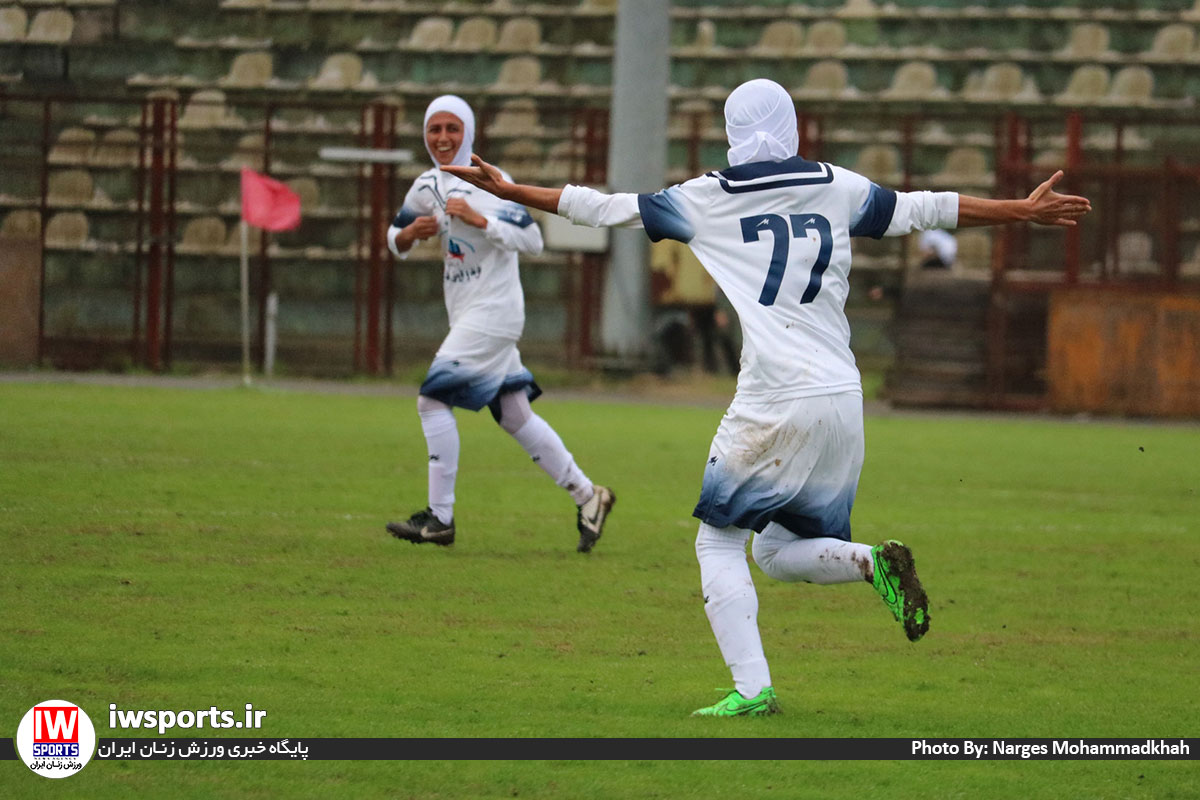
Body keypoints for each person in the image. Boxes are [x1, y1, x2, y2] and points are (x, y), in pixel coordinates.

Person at [442, 79, 1091, 716]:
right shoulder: (838, 185)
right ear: (793, 125)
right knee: (774, 553)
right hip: (841, 398)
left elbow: (604, 208)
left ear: (730, 131)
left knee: (717, 544)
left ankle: (753, 690)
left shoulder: (710, 196)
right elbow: (925, 207)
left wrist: (513, 189)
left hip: (775, 398)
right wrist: (1021, 210)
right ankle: (875, 563)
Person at [384, 94, 615, 553]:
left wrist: (480, 218)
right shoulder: (426, 186)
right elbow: (394, 236)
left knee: (432, 401)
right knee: (514, 415)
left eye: (453, 129)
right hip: (469, 311)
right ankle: (590, 496)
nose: (443, 138)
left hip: (495, 312)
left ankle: (440, 518)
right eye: (435, 129)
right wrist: (408, 235)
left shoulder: (490, 182)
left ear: (468, 132)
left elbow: (531, 239)